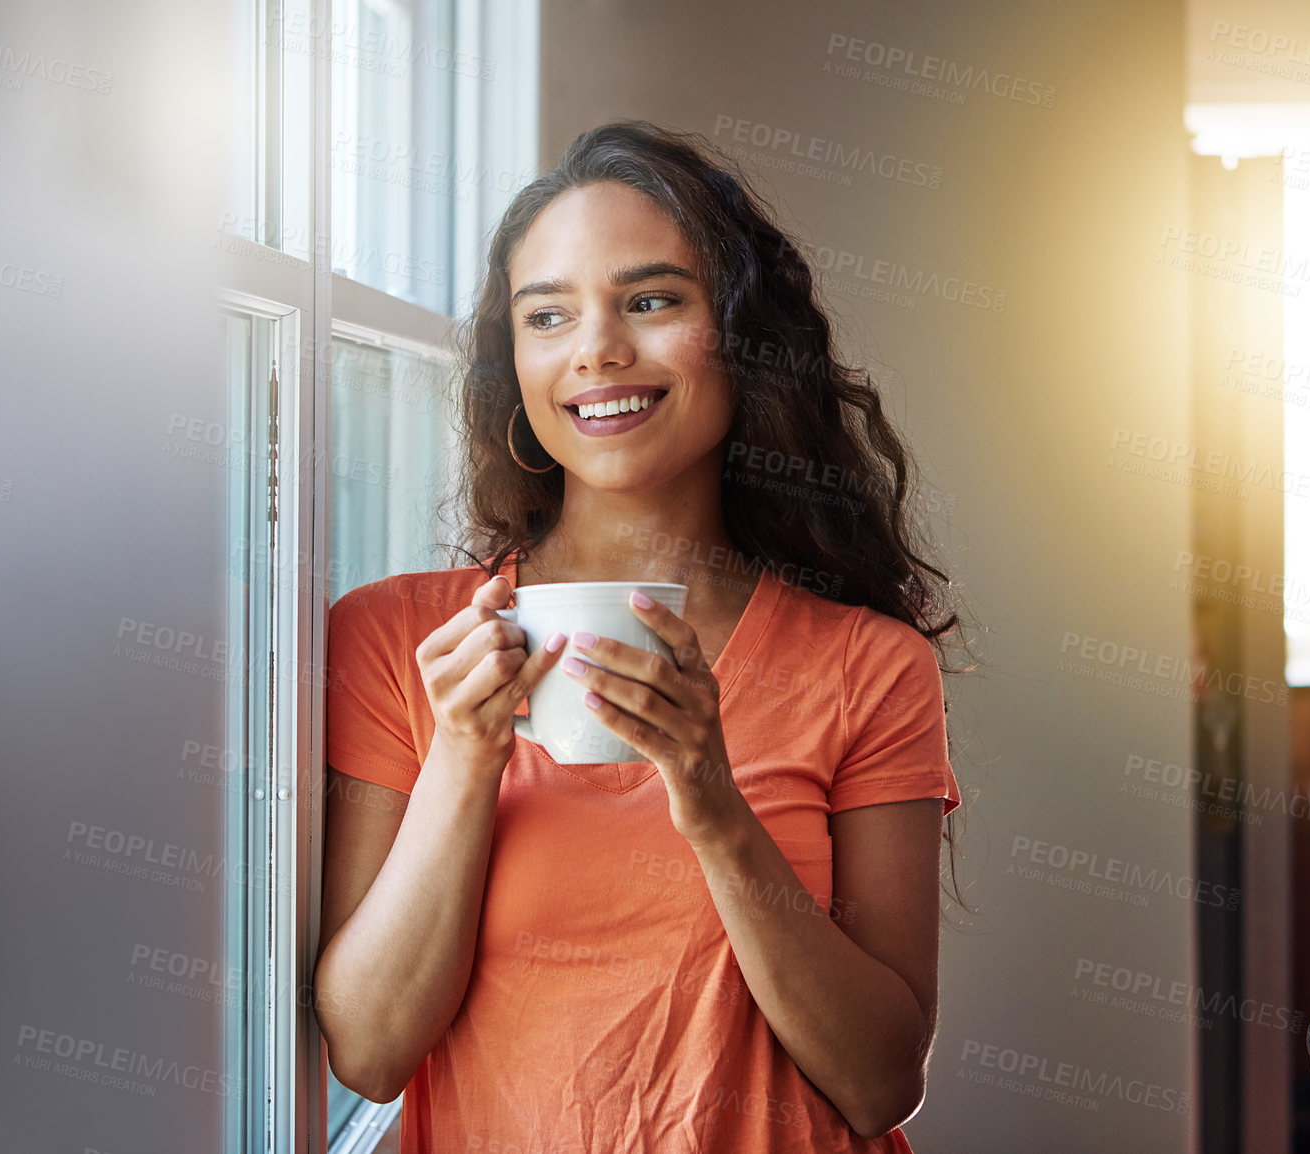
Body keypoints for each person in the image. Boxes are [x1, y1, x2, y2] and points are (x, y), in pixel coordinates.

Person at [316, 120, 965, 1153]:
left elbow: (882, 1078)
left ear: (744, 337)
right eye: (548, 315)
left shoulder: (871, 666)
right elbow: (371, 1049)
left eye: (651, 300)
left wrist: (712, 804)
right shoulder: (396, 637)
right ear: (515, 364)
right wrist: (463, 753)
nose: (598, 349)